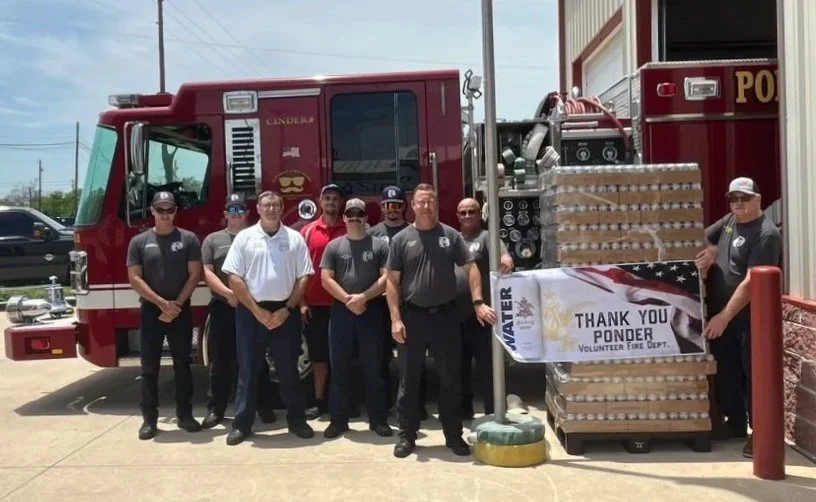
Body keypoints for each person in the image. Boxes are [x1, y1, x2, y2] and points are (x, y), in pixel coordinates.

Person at [386, 183, 497, 458]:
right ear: (413, 205)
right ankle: (407, 436)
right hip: (412, 318)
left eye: (430, 202)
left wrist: (478, 302)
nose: (425, 207)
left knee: (451, 380)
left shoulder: (450, 236)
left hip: (446, 318)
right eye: (421, 202)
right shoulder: (401, 239)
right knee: (409, 381)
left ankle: (454, 436)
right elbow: (392, 282)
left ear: (436, 205)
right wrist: (396, 320)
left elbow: (471, 269)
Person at [695, 177, 782, 459]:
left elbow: (751, 283)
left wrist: (723, 316)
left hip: (746, 317)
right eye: (734, 199)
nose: (739, 204)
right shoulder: (730, 221)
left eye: (744, 198)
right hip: (722, 316)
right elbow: (704, 235)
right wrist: (711, 249)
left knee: (753, 374)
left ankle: (759, 435)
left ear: (758, 198)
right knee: (727, 371)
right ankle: (734, 424)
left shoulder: (766, 234)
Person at [221, 191, 314, 445]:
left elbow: (304, 277)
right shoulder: (244, 238)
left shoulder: (294, 238)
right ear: (258, 210)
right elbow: (234, 278)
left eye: (276, 205)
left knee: (288, 371)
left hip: (286, 312)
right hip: (252, 313)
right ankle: (242, 424)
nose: (271, 209)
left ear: (282, 208)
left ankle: (297, 421)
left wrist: (287, 308)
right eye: (266, 205)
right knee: (248, 370)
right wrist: (256, 310)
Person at [126, 191, 203, 440]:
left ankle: (185, 415)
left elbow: (195, 274)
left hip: (181, 310)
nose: (165, 214)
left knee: (182, 365)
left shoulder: (189, 239)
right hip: (151, 311)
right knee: (150, 368)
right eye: (161, 210)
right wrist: (161, 304)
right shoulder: (139, 242)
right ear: (152, 212)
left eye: (170, 210)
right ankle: (149, 420)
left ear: (175, 212)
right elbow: (134, 278)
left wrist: (176, 304)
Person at [200, 193, 277, 429]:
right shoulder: (212, 240)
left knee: (257, 359)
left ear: (247, 213)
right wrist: (228, 294)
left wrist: (246, 297)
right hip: (224, 306)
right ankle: (217, 409)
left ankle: (263, 405)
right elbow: (207, 272)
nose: (236, 214)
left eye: (240, 210)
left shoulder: (258, 237)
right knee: (221, 360)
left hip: (253, 306)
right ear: (225, 214)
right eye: (232, 210)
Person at [320, 198, 393, 439]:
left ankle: (378, 420)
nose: (354, 217)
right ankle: (338, 421)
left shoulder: (380, 245)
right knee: (339, 367)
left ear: (365, 217)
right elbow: (326, 279)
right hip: (342, 312)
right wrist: (348, 300)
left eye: (358, 213)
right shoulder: (334, 246)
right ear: (344, 218)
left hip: (371, 310)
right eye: (349, 214)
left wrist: (362, 297)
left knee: (374, 368)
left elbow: (387, 278)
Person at [367, 185, 429, 420]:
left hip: (409, 304)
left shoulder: (415, 231)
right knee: (380, 357)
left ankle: (417, 405)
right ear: (382, 208)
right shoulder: (372, 233)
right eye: (387, 205)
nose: (392, 210)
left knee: (414, 360)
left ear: (405, 207)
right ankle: (384, 405)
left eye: (397, 205)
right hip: (379, 306)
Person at [454, 198, 514, 418]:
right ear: (457, 216)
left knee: (488, 368)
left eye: (472, 211)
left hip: (482, 315)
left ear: (480, 214)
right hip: (456, 315)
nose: (468, 216)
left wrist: (506, 258)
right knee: (459, 368)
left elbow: (503, 254)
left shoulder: (488, 237)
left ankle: (494, 412)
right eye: (463, 212)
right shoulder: (453, 240)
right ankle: (463, 411)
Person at [300, 183, 347, 419]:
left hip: (342, 305)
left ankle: (342, 402)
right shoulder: (307, 231)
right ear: (320, 201)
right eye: (327, 198)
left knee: (342, 357)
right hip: (315, 306)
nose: (331, 202)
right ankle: (319, 402)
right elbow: (298, 271)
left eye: (335, 199)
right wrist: (301, 302)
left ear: (341, 203)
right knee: (319, 358)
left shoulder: (349, 229)